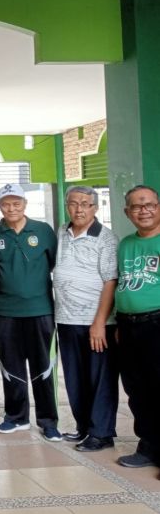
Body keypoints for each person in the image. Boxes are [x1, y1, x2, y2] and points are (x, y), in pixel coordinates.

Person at [0, 183, 60, 441]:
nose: (12, 208)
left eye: (16, 203)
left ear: (25, 204)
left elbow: (54, 266)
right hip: (6, 314)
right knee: (11, 368)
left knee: (43, 368)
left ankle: (48, 421)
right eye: (6, 204)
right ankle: (16, 417)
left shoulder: (43, 231)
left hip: (41, 311)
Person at [53, 186, 119, 452]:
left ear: (95, 207)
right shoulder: (61, 233)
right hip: (67, 319)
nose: (79, 209)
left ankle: (101, 433)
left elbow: (110, 281)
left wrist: (99, 323)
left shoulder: (106, 238)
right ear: (67, 206)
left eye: (85, 204)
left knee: (99, 379)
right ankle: (84, 427)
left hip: (96, 323)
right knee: (75, 377)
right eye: (73, 203)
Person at [113, 185, 160, 469]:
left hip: (157, 322)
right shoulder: (126, 244)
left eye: (150, 205)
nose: (144, 210)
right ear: (127, 213)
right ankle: (148, 447)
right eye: (137, 206)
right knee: (137, 390)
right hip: (128, 326)